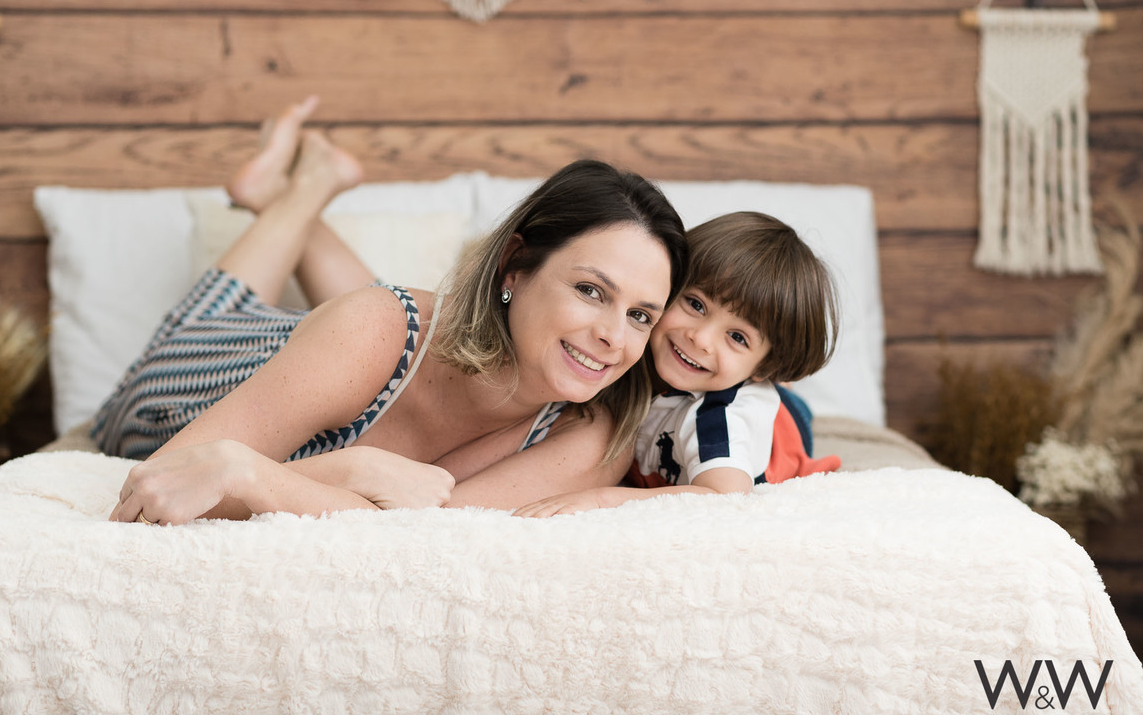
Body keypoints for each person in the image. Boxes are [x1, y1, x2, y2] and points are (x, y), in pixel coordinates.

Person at [100, 97, 688, 524]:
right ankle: (298, 193)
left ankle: (287, 194)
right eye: (591, 290)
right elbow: (168, 481)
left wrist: (250, 472)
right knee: (374, 321)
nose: (614, 335)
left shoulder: (590, 437)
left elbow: (417, 535)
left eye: (641, 314)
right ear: (515, 266)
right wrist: (348, 471)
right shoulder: (375, 328)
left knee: (386, 325)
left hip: (361, 343)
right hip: (195, 370)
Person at [513, 211, 841, 517]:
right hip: (705, 386)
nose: (700, 338)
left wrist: (601, 498)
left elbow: (724, 499)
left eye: (737, 337)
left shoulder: (719, 418)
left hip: (783, 431)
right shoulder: (633, 349)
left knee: (785, 411)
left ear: (766, 366)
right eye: (696, 304)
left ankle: (781, 391)